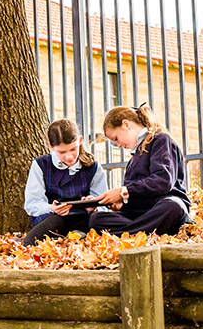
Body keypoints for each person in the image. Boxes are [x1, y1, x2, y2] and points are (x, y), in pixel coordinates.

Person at [89, 104, 190, 235]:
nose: (118, 145)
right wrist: (122, 204)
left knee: (173, 206)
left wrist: (122, 192)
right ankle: (141, 232)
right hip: (144, 215)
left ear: (126, 124)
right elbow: (139, 193)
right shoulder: (133, 159)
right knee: (96, 220)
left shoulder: (160, 140)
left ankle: (131, 233)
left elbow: (163, 181)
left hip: (165, 206)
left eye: (116, 139)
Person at [22, 118, 107, 246]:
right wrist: (52, 208)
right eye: (62, 152)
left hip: (83, 218)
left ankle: (76, 237)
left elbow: (104, 203)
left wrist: (93, 206)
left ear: (80, 141)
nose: (69, 157)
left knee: (98, 220)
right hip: (51, 219)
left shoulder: (93, 166)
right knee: (55, 221)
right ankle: (28, 244)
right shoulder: (41, 165)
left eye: (73, 149)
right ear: (51, 147)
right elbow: (32, 203)